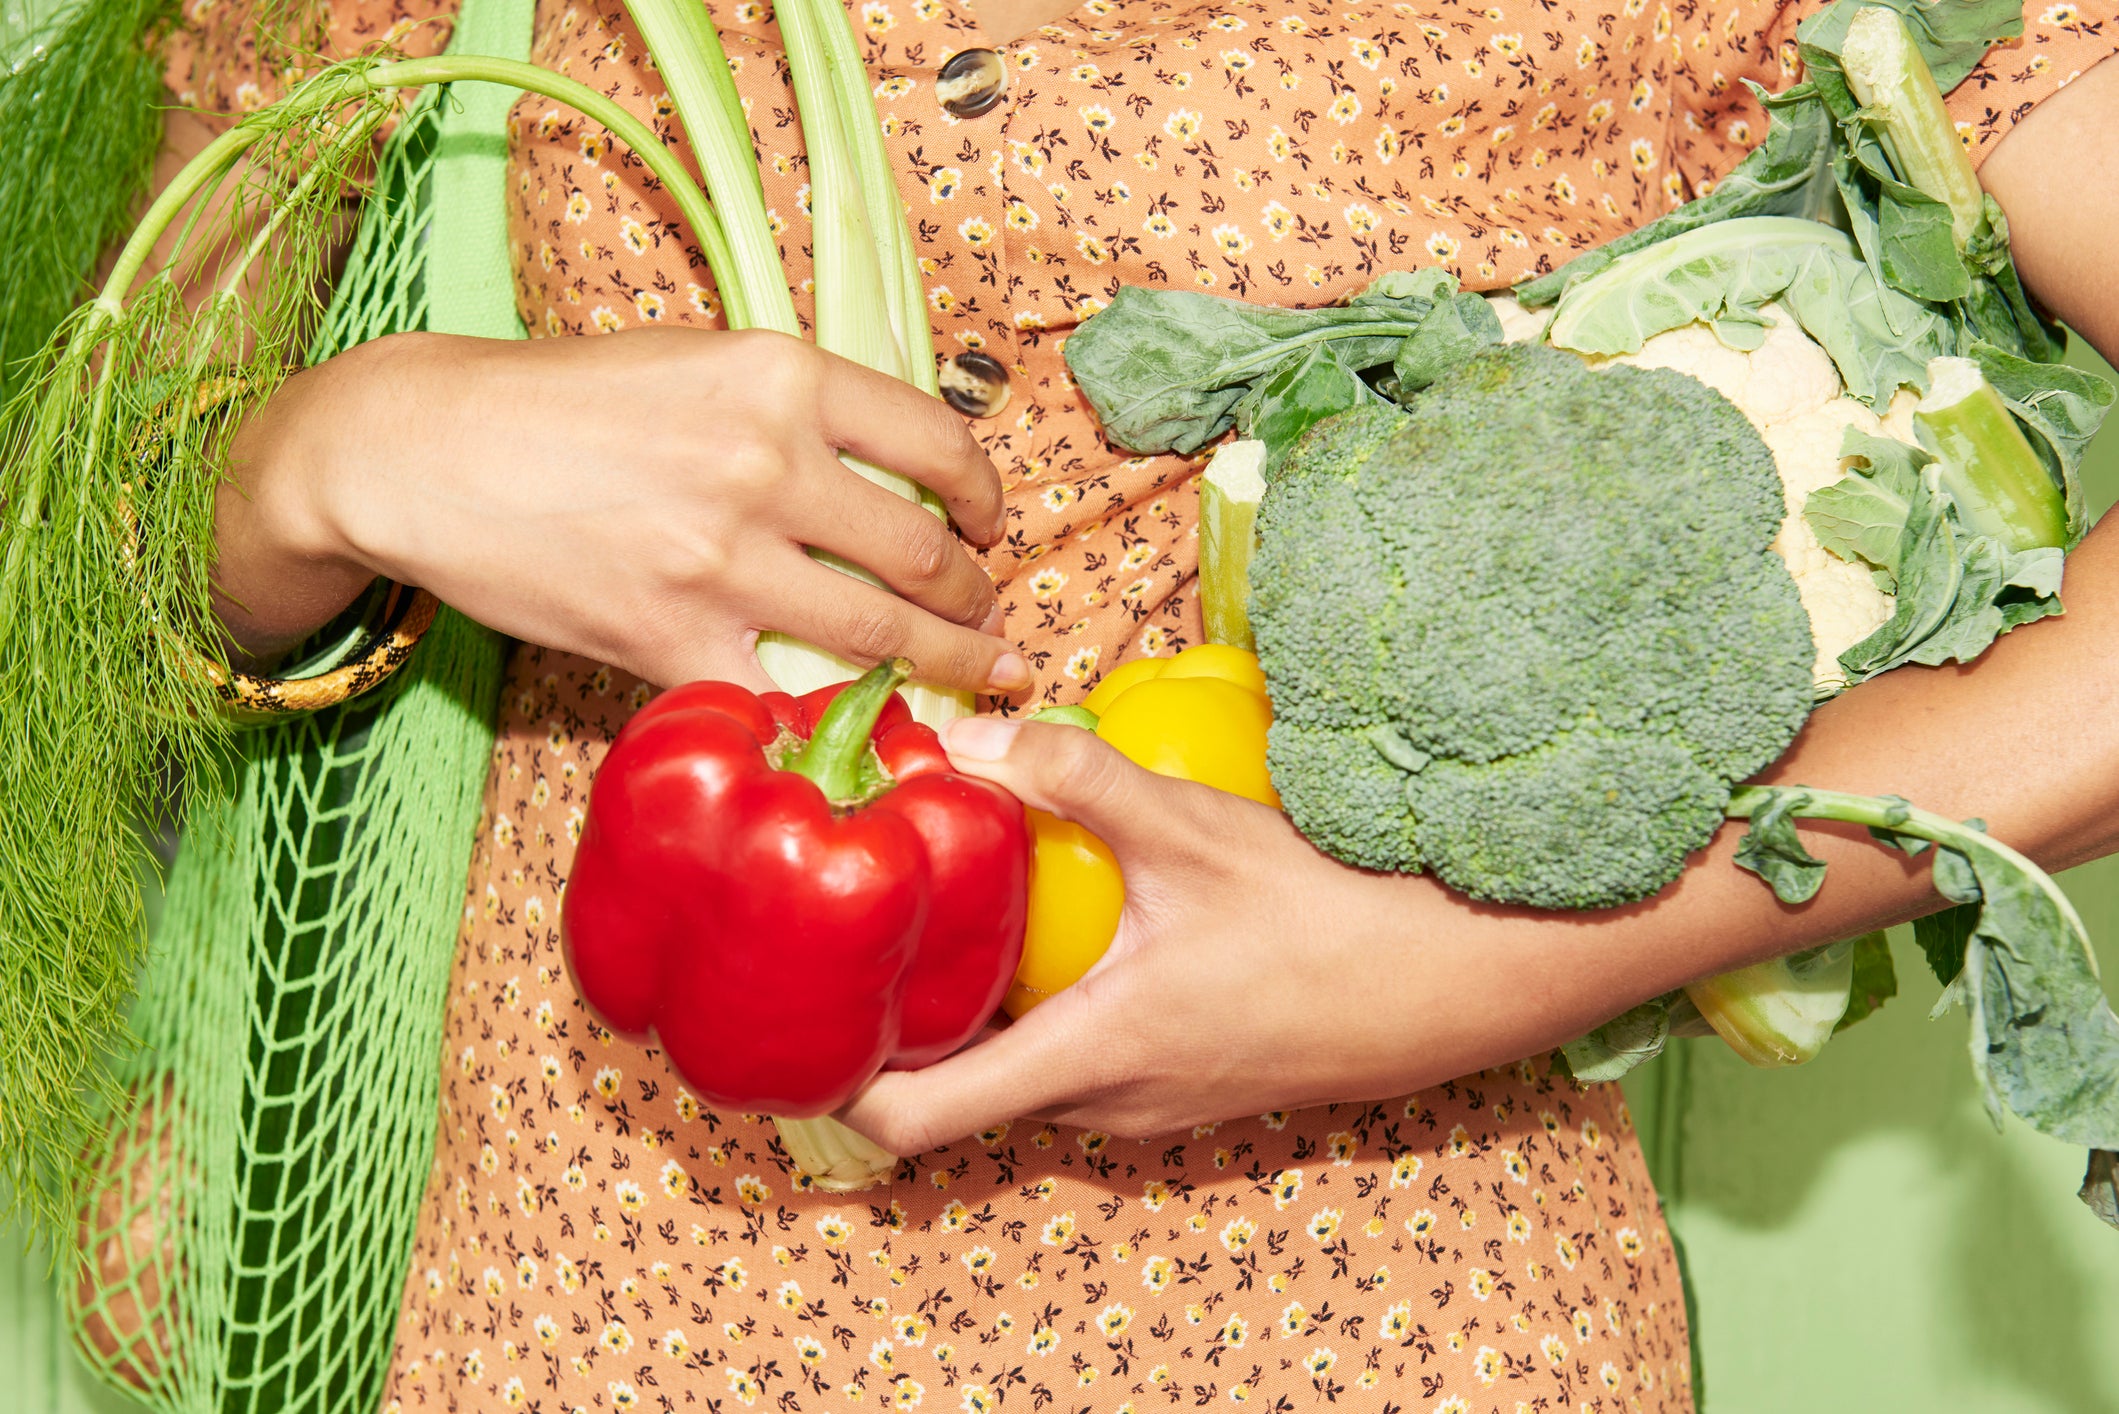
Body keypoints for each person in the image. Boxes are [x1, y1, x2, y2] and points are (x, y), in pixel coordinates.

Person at [159, 0, 2119, 1405]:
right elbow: (98, 591)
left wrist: (1522, 954)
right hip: (586, 1280)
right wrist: (312, 462)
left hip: (1377, 1293)